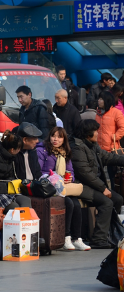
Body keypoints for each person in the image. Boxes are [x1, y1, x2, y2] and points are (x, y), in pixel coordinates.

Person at [70, 119, 124, 249]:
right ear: (88, 134)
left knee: (118, 199)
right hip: (82, 186)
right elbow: (85, 173)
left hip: (94, 185)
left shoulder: (92, 145)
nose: (98, 134)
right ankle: (98, 239)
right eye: (96, 131)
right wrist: (103, 188)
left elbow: (109, 157)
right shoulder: (77, 148)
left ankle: (109, 233)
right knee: (107, 202)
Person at [37, 127, 90, 251]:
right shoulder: (42, 150)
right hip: (49, 185)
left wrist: (69, 178)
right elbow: (38, 171)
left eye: (59, 137)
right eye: (53, 136)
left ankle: (77, 239)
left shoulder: (65, 152)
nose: (56, 139)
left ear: (64, 139)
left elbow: (70, 170)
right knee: (69, 204)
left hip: (63, 186)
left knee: (77, 204)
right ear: (49, 136)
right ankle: (66, 237)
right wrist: (54, 176)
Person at [96, 91, 124, 189]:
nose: (98, 101)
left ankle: (113, 197)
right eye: (99, 99)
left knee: (111, 177)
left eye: (101, 99)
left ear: (106, 100)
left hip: (112, 150)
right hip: (99, 149)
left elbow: (122, 128)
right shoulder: (98, 113)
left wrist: (114, 137)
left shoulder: (116, 112)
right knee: (100, 176)